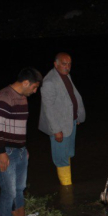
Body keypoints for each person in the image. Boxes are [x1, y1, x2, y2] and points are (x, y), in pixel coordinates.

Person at [0, 67, 44, 216]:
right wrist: (1, 153)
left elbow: (19, 126)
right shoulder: (3, 98)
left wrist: (23, 147)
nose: (35, 91)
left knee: (19, 189)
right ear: (26, 82)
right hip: (5, 151)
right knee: (8, 191)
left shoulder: (22, 98)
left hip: (19, 151)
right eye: (34, 87)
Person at [38, 52, 86, 186]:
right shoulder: (49, 82)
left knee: (68, 152)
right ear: (56, 64)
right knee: (61, 157)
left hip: (70, 122)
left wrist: (75, 116)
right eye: (64, 64)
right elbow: (49, 109)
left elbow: (70, 98)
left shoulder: (65, 75)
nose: (67, 67)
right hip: (59, 126)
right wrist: (56, 130)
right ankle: (66, 189)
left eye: (69, 64)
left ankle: (68, 185)